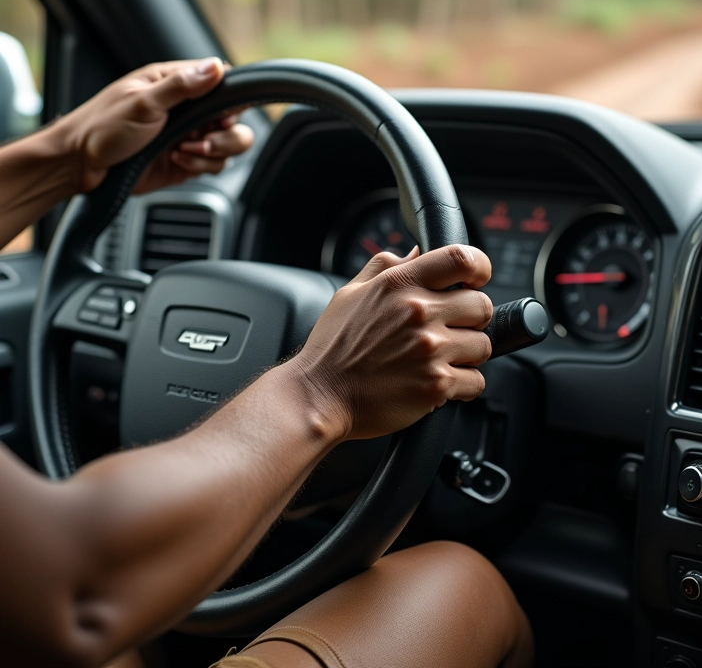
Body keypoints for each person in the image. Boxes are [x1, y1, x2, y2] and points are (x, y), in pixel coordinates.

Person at [0, 58, 534, 668]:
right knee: (465, 582)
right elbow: (78, 591)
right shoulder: (326, 380)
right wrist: (324, 385)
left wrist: (69, 157)